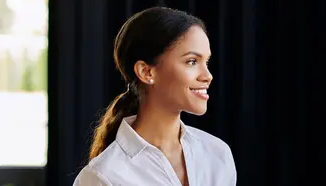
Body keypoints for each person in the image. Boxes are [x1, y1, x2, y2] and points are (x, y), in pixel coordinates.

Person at [72, 7, 236, 186]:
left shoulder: (217, 154)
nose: (208, 75)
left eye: (206, 62)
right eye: (192, 61)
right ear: (146, 72)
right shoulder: (102, 176)